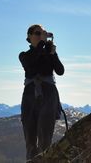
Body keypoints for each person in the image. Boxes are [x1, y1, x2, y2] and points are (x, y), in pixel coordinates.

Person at [19, 24, 65, 161]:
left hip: (48, 97)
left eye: (43, 33)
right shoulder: (24, 55)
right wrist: (42, 45)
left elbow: (60, 71)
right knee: (30, 140)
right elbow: (30, 64)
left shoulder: (48, 54)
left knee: (45, 140)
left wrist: (53, 53)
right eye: (38, 33)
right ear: (29, 37)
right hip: (30, 98)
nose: (41, 36)